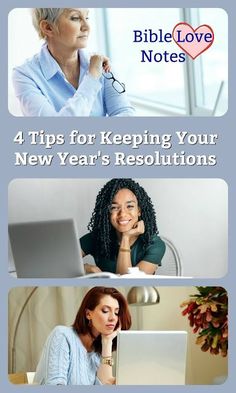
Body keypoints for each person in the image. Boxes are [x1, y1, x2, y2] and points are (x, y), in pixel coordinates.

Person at [12, 8, 134, 117]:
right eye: (75, 18)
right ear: (48, 27)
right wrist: (91, 78)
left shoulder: (100, 65)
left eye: (87, 17)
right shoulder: (24, 75)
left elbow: (125, 114)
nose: (87, 27)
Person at [34, 286, 132, 385]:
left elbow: (105, 385)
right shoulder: (62, 335)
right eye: (105, 311)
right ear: (88, 314)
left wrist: (107, 342)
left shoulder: (98, 349)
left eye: (116, 312)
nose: (113, 318)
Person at [80, 178, 166, 275]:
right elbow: (62, 262)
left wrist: (125, 237)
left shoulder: (154, 245)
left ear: (139, 211)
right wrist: (85, 268)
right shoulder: (97, 237)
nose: (123, 214)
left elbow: (128, 281)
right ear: (107, 213)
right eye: (114, 207)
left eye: (129, 206)